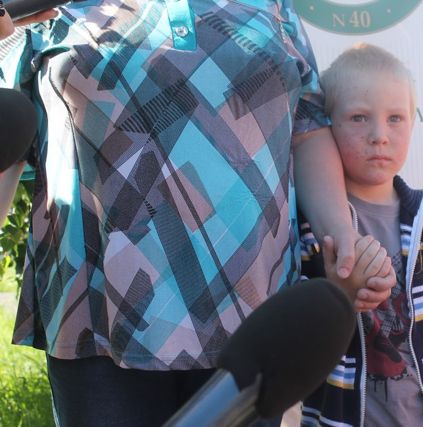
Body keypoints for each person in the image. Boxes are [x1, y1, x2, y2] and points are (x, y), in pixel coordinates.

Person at [0, 2, 396, 426]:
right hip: (98, 320)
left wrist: (342, 237)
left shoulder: (275, 6)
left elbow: (306, 127)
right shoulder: (45, 7)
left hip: (253, 319)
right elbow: (8, 130)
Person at [298, 43, 423, 427]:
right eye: (359, 118)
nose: (379, 135)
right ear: (326, 127)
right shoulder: (310, 225)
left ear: (413, 124)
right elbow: (295, 333)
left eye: (395, 118)